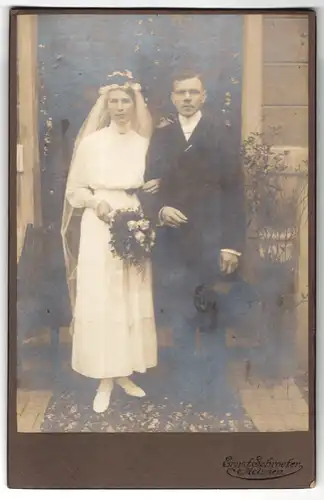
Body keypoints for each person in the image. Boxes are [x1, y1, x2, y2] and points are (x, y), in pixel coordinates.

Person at [142, 70, 246, 408]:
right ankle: (185, 388)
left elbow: (234, 192)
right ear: (172, 98)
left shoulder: (221, 134)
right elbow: (148, 186)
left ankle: (216, 390)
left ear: (204, 96)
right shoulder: (161, 138)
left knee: (213, 310)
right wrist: (160, 210)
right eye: (180, 93)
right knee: (179, 313)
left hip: (212, 237)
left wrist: (231, 244)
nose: (187, 98)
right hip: (174, 241)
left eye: (193, 92)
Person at [61, 71, 157, 414]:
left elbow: (150, 182)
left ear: (135, 104)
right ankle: (103, 377)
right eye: (113, 101)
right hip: (100, 222)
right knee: (104, 294)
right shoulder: (92, 143)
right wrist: (94, 202)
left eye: (125, 100)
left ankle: (124, 372)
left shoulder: (143, 143)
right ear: (105, 103)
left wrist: (151, 191)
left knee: (130, 293)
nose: (119, 107)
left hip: (133, 217)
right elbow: (75, 189)